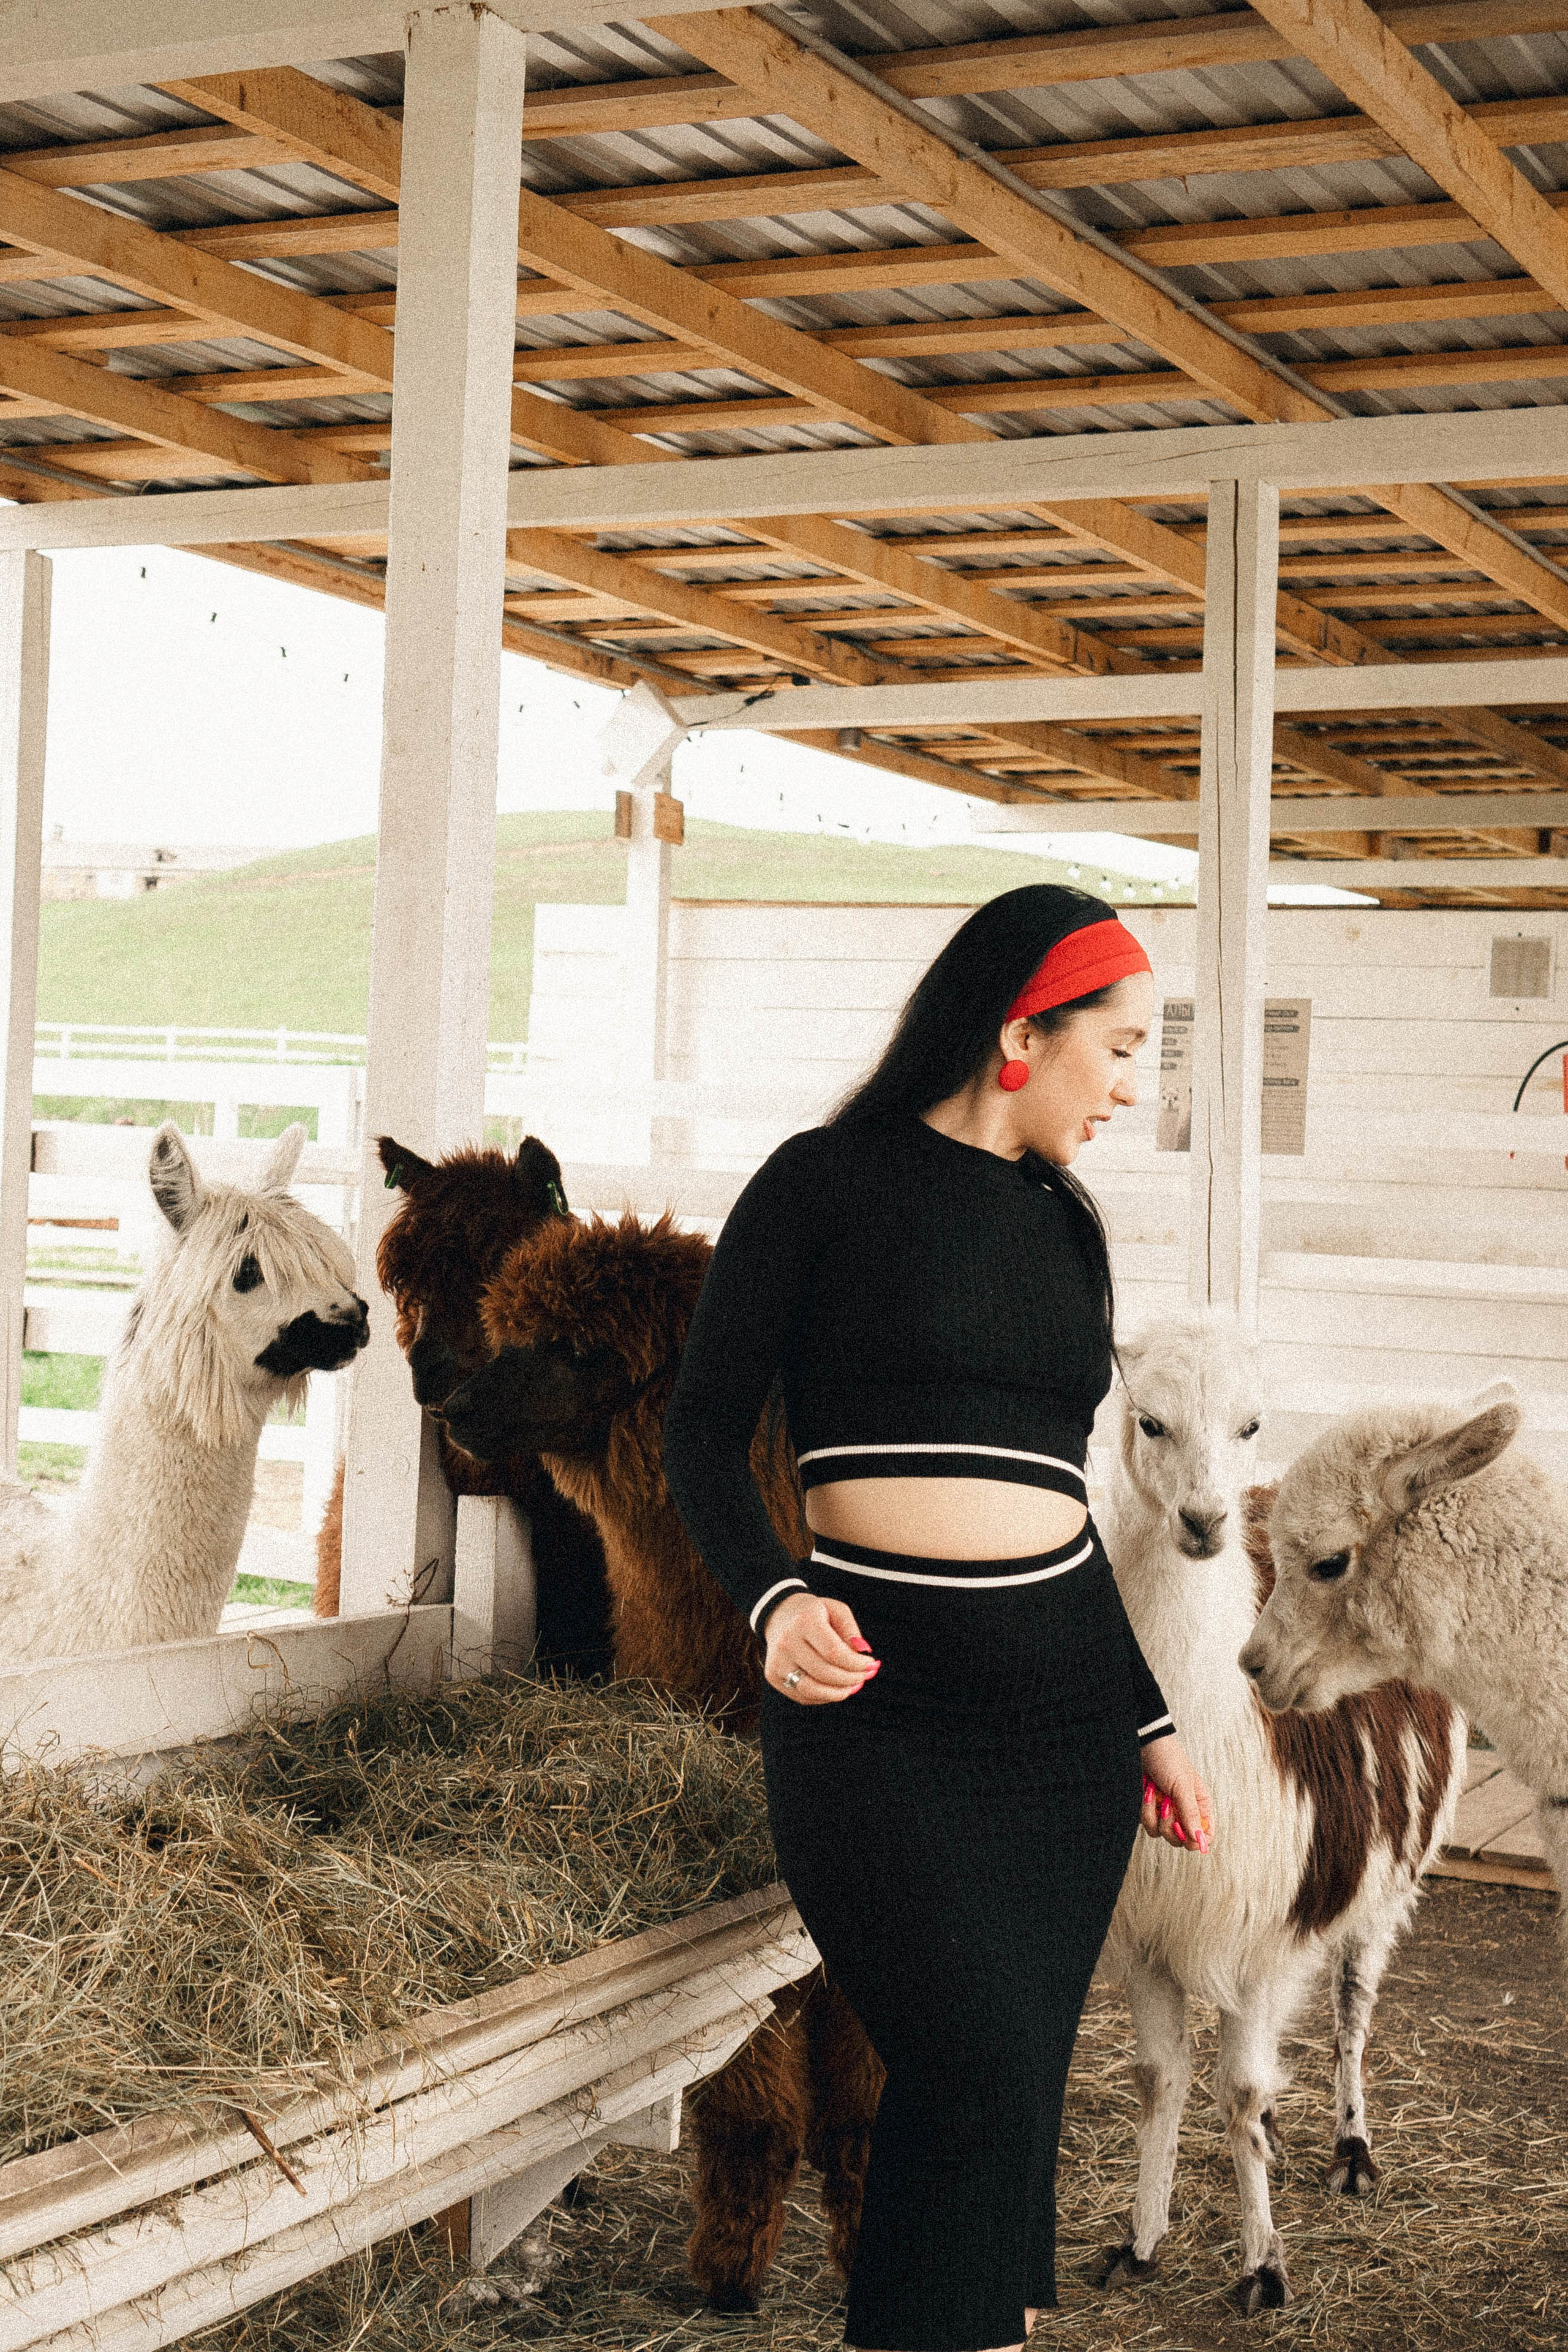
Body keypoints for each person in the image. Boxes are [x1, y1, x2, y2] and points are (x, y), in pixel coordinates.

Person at [663, 884, 1213, 2352]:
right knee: (964, 2066)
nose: (1133, 1085)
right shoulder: (820, 1186)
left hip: (1059, 1741)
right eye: (1124, 1044)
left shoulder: (1064, 1227)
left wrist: (1142, 1717)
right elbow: (702, 1434)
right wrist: (771, 1595)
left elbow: (1059, 1513)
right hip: (876, 1716)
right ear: (1021, 1030)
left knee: (1008, 2082)